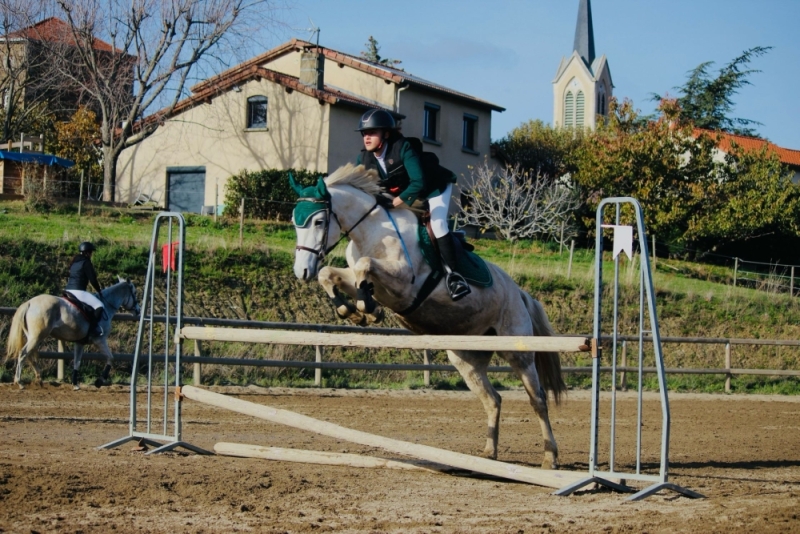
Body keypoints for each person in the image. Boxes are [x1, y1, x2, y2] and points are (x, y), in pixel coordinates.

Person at [355, 108, 470, 300]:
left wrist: (397, 201)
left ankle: (455, 276)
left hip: (434, 187)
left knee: (437, 223)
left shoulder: (403, 148)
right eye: (364, 133)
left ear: (386, 133)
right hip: (405, 192)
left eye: (372, 133)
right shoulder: (364, 158)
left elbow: (419, 182)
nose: (367, 138)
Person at [65, 241, 105, 338]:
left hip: (68, 290)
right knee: (99, 305)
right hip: (78, 291)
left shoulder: (74, 262)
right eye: (91, 252)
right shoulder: (86, 262)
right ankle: (92, 329)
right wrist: (99, 291)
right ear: (87, 252)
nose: (91, 254)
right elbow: (93, 280)